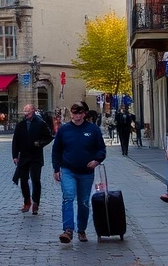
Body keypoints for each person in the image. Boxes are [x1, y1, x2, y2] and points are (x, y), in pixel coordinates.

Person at [52, 101, 106, 243]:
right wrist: (56, 169)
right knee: (68, 197)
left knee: (83, 202)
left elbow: (101, 149)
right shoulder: (64, 130)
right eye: (75, 113)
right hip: (68, 169)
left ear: (84, 114)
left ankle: (81, 229)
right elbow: (56, 150)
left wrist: (96, 160)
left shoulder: (93, 130)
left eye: (80, 113)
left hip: (86, 172)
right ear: (71, 113)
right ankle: (68, 230)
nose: (77, 116)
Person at [11, 103, 53, 215]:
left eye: (27, 111)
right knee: (23, 179)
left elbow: (49, 137)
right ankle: (27, 201)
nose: (26, 113)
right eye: (24, 111)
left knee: (36, 180)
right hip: (23, 156)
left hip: (36, 156)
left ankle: (36, 203)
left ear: (33, 111)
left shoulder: (40, 123)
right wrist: (15, 155)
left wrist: (40, 143)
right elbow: (15, 141)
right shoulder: (21, 124)